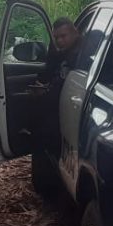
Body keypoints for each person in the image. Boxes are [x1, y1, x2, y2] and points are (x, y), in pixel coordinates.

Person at [32, 17, 81, 155]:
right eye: (56, 37)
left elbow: (68, 82)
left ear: (75, 33)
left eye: (63, 36)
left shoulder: (82, 54)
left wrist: (46, 91)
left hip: (72, 106)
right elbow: (51, 72)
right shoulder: (59, 53)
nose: (59, 41)